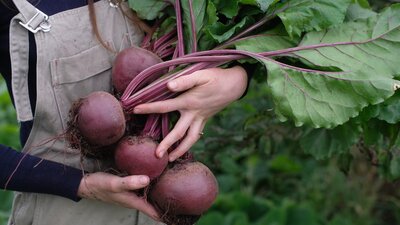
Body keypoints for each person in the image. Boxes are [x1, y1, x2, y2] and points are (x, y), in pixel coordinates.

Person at [0, 0, 248, 225]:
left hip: (157, 206)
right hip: (61, 208)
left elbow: (234, 28)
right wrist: (81, 184)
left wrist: (237, 79)